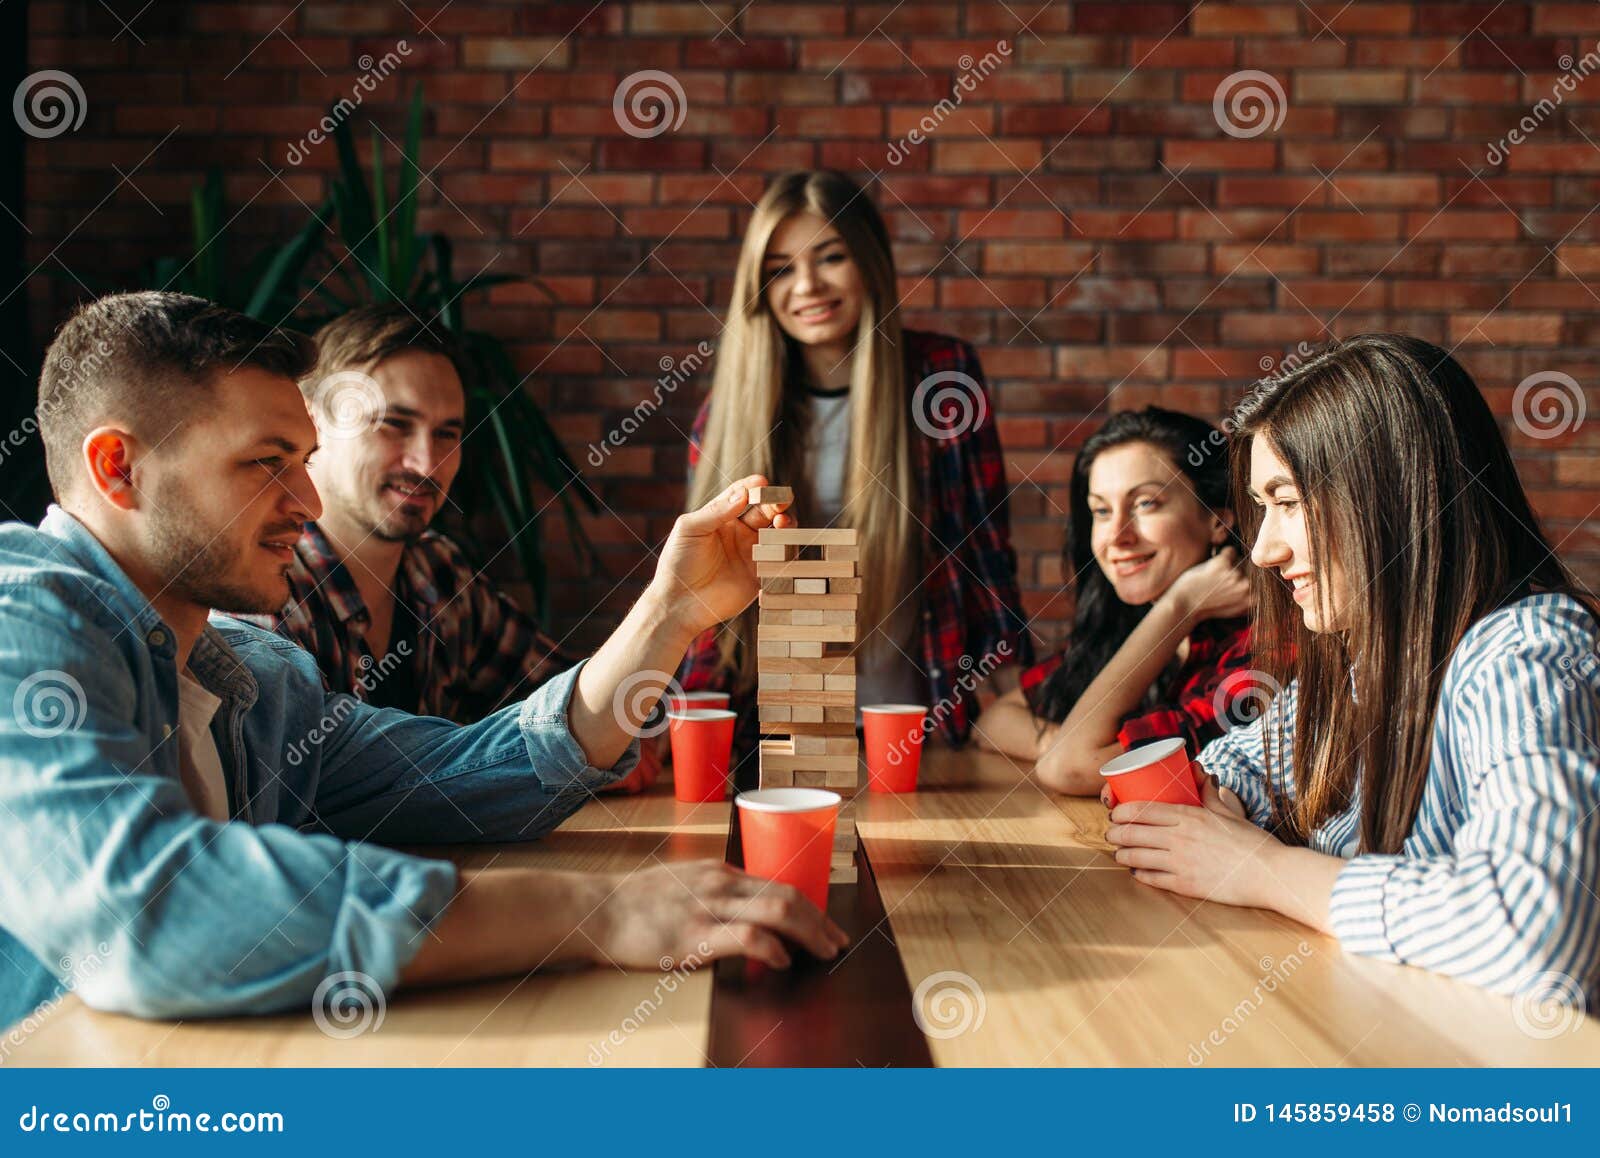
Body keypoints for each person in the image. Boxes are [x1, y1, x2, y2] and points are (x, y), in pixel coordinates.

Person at [0, 291, 846, 1029]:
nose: (304, 500)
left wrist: (673, 611)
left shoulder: (257, 682)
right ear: (119, 468)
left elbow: (482, 773)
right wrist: (593, 912)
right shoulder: (22, 614)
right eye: (266, 464)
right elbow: (153, 912)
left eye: (300, 462)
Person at [1106, 334, 1600, 1003]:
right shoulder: (1372, 656)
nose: (1265, 551)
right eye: (1261, 508)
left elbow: (1536, 924)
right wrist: (1204, 804)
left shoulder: (1523, 653)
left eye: (1287, 501)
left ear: (1394, 494)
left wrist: (1263, 870)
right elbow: (1242, 766)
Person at [678, 170, 1030, 752]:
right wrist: (684, 728)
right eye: (781, 269)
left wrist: (1016, 694)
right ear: (759, 288)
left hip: (919, 724)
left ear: (868, 260)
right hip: (776, 735)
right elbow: (706, 599)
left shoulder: (941, 376)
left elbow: (985, 549)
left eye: (831, 257)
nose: (808, 286)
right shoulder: (725, 412)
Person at [975, 407, 1256, 793]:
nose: (1117, 536)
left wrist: (1180, 607)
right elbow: (993, 721)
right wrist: (1058, 742)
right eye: (1102, 511)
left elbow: (1069, 768)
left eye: (1145, 504)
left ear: (1218, 520)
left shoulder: (1260, 649)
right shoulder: (1126, 624)